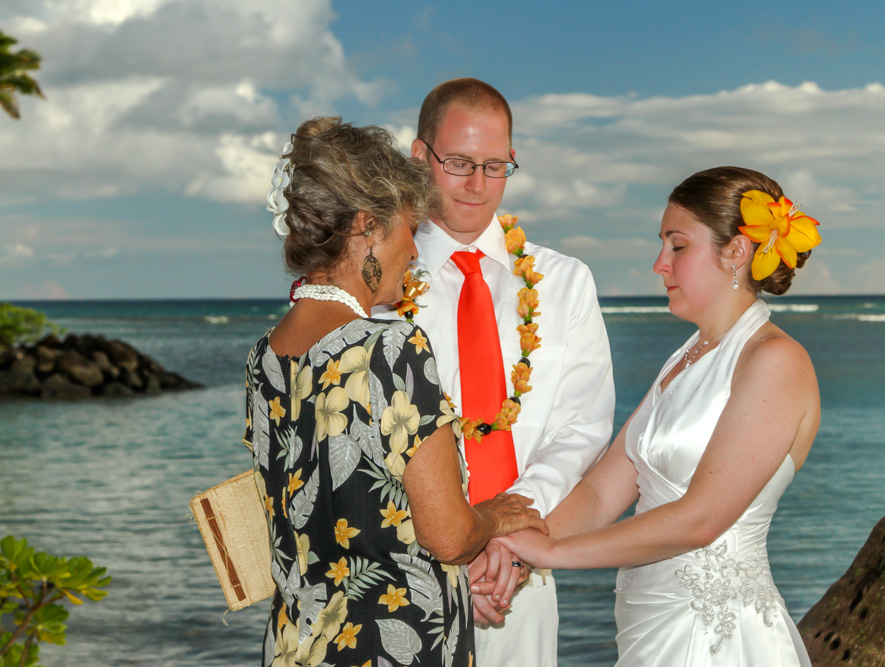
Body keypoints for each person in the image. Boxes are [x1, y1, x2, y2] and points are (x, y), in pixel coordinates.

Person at [242, 117, 548, 667]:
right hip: (388, 648)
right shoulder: (390, 348)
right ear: (367, 228)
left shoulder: (265, 355)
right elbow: (450, 537)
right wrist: (497, 517)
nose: (413, 247)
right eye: (408, 226)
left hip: (295, 646)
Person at [499, 166, 823, 666]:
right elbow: (602, 490)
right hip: (649, 630)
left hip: (719, 640)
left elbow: (702, 518)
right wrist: (521, 546)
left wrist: (552, 556)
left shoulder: (774, 361)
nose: (659, 265)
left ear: (736, 251)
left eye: (677, 246)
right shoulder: (684, 359)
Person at [374, 78, 615, 667]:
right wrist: (452, 543)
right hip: (402, 573)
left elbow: (582, 427)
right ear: (418, 156)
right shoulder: (376, 285)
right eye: (458, 163)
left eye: (496, 166)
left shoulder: (564, 283)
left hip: (518, 574)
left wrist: (505, 537)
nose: (478, 185)